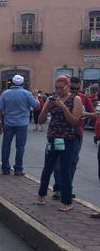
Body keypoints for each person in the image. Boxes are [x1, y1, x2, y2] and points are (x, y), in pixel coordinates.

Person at [36, 75, 83, 212]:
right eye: (56, 88)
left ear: (68, 86)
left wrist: (63, 107)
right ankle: (41, 195)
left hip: (68, 139)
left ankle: (67, 201)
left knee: (65, 170)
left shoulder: (76, 99)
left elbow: (74, 121)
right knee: (48, 168)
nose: (58, 91)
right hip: (53, 138)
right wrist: (46, 107)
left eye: (61, 88)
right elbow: (40, 120)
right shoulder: (52, 99)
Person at [51, 77, 96, 200]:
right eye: (73, 88)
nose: (75, 91)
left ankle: (66, 188)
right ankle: (58, 188)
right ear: (69, 86)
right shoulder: (57, 97)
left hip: (76, 134)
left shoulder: (83, 98)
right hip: (59, 134)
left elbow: (94, 114)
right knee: (57, 163)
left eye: (77, 88)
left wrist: (84, 114)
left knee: (71, 162)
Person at [0, 75, 38, 176]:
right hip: (22, 123)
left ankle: (5, 168)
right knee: (20, 147)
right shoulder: (26, 94)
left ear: (12, 83)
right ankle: (18, 168)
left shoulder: (5, 94)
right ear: (23, 83)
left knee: (6, 145)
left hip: (8, 122)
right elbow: (36, 105)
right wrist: (35, 96)